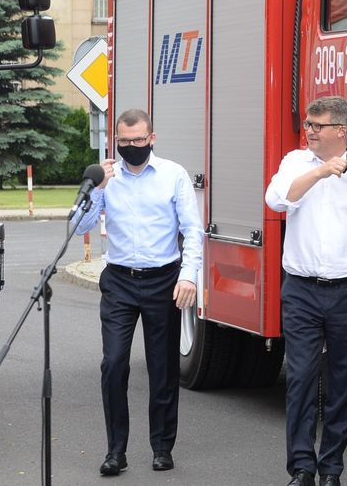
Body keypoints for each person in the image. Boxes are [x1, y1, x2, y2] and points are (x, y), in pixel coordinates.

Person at [265, 96, 347, 486]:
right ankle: (302, 468)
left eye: (316, 126)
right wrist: (322, 172)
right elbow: (276, 198)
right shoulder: (295, 162)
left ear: (341, 131)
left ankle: (332, 469)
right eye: (307, 124)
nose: (308, 130)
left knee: (342, 383)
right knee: (301, 378)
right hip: (302, 290)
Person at [75, 108, 204, 475]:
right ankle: (116, 450)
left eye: (138, 140)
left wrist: (189, 275)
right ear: (116, 140)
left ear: (152, 139)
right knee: (113, 363)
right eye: (124, 141)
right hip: (118, 280)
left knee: (162, 368)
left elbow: (192, 230)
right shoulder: (106, 177)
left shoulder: (172, 175)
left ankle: (162, 446)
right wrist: (95, 190)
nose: (131, 147)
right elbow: (78, 224)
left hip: (164, 279)